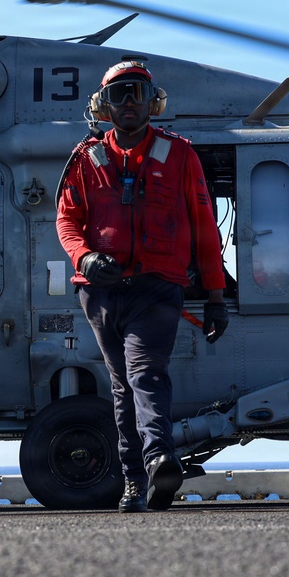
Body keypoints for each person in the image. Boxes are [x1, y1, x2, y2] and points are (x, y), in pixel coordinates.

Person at [55, 60, 229, 513]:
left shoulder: (180, 154)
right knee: (122, 386)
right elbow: (67, 220)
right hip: (100, 292)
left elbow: (204, 226)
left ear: (154, 103)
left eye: (138, 93)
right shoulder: (86, 157)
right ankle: (136, 481)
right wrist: (85, 258)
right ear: (103, 106)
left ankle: (157, 459)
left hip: (156, 287)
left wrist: (215, 296)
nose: (129, 103)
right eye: (119, 94)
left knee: (144, 373)